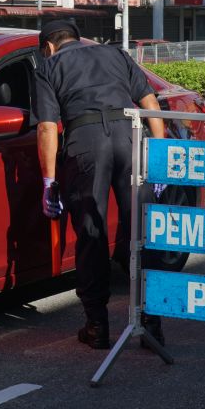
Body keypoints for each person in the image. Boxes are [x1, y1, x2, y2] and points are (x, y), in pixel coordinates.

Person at [32, 19, 166, 349]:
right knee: (141, 230)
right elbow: (150, 104)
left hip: (86, 143)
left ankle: (97, 326)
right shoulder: (116, 55)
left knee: (92, 234)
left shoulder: (49, 66)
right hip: (129, 138)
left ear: (48, 46)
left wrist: (49, 180)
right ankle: (151, 325)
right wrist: (158, 160)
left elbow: (48, 128)